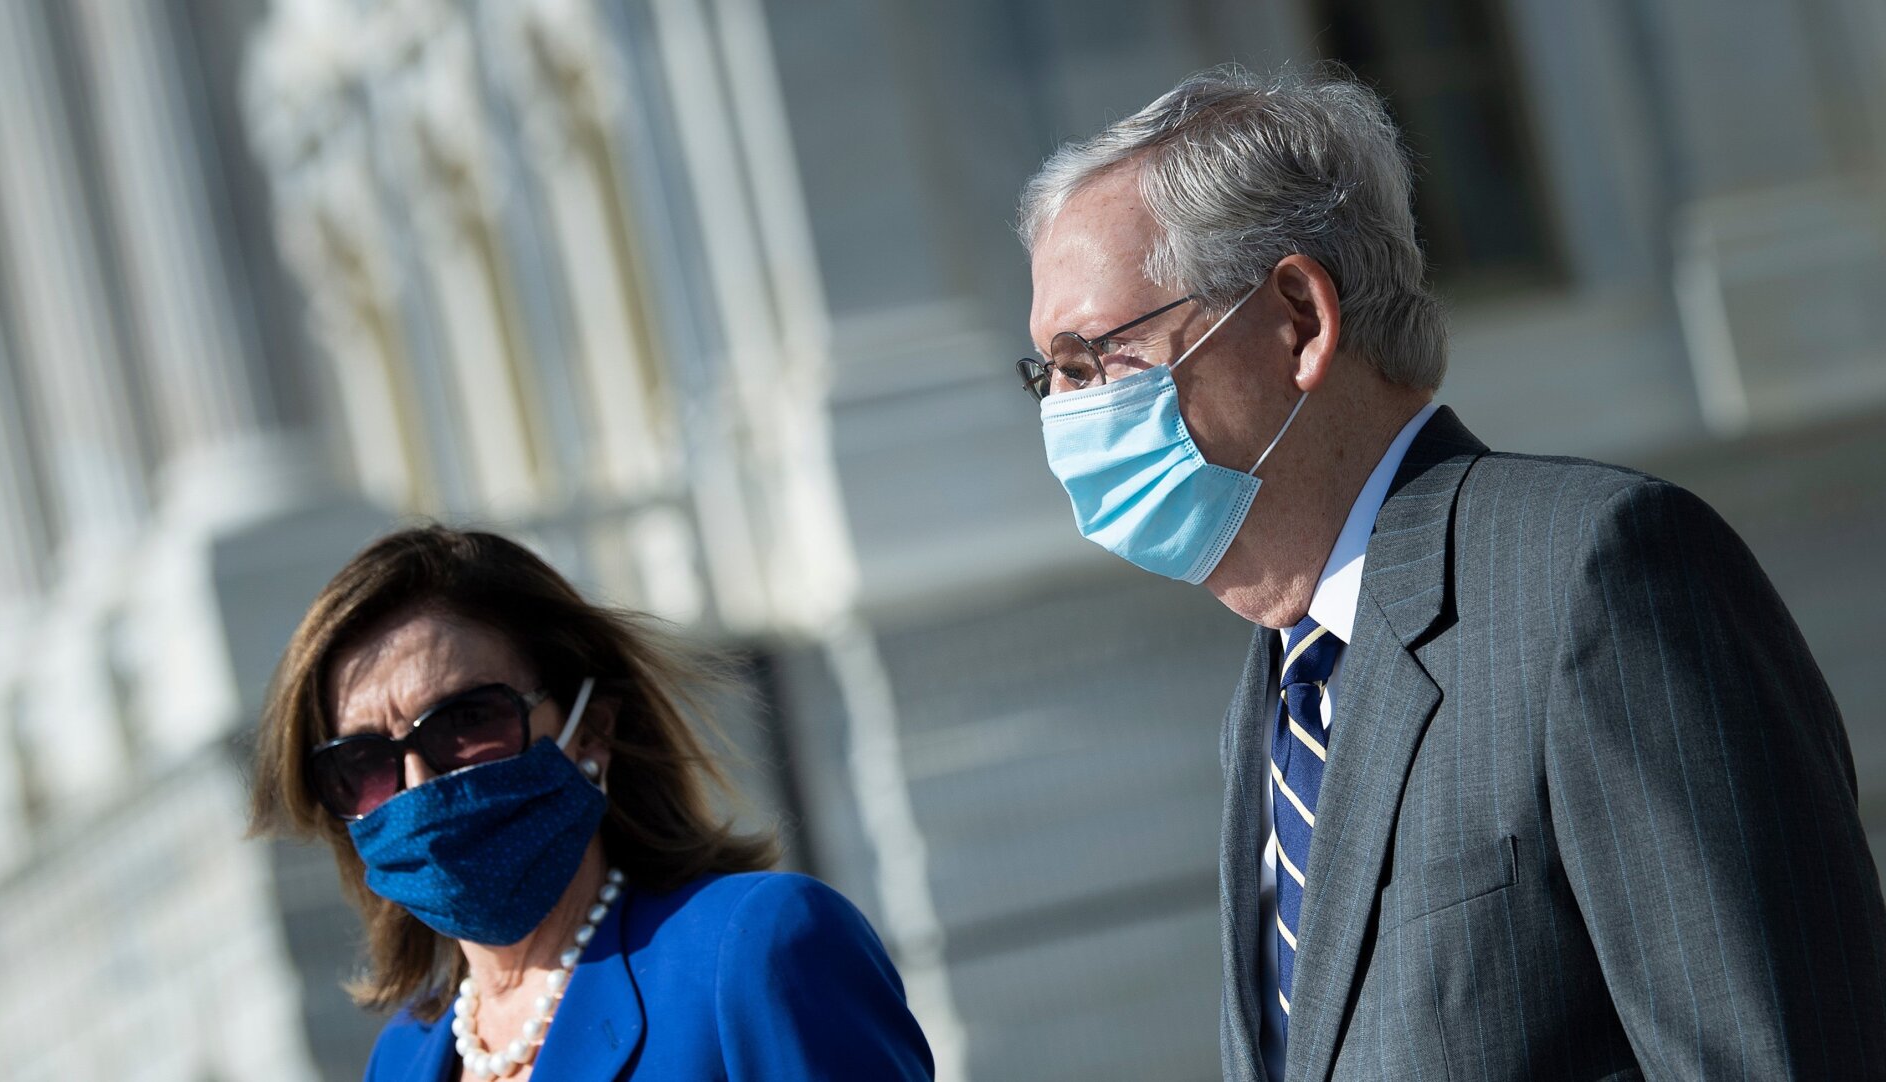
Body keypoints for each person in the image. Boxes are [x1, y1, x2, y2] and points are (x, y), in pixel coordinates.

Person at [1014, 65, 1886, 1080]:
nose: (1065, 414)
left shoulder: (1592, 577)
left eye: (1091, 359)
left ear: (1298, 317)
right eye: (1050, 375)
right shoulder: (1276, 700)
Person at [249, 526, 933, 1080]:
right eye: (363, 763)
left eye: (468, 723)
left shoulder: (756, 949)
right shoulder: (403, 1059)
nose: (422, 783)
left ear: (592, 730)